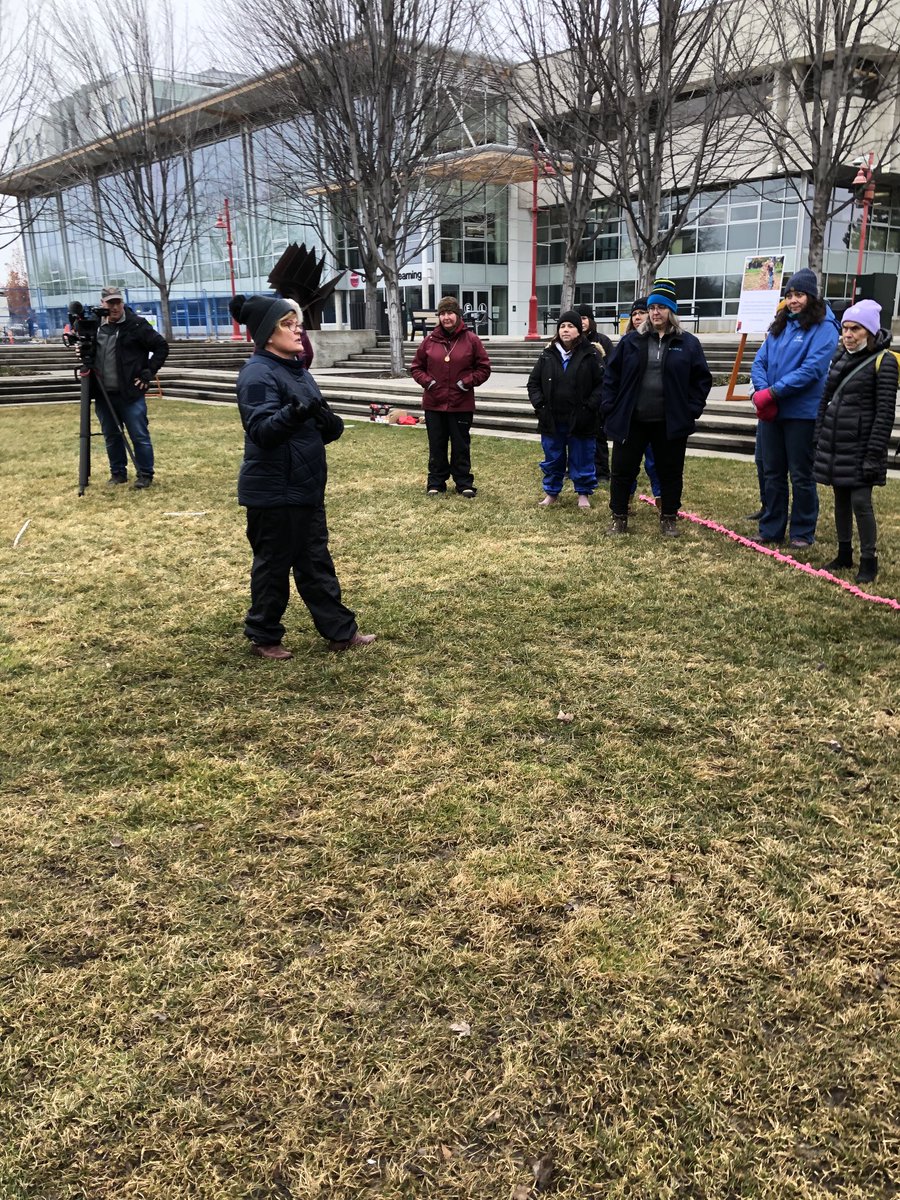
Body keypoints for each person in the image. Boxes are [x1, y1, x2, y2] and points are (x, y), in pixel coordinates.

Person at [230, 293, 375, 660]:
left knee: (315, 561)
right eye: (288, 324)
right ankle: (263, 636)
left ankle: (340, 632)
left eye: (297, 323)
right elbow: (262, 431)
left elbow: (318, 424)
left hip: (305, 486)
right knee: (274, 566)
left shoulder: (297, 369)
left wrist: (329, 422)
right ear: (267, 333)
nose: (298, 330)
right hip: (274, 491)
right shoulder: (257, 373)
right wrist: (294, 414)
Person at [601, 278, 712, 537]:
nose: (655, 313)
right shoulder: (631, 342)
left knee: (670, 472)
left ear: (671, 311)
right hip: (632, 419)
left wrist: (690, 409)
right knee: (622, 470)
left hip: (669, 422)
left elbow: (701, 380)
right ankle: (619, 517)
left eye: (661, 308)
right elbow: (611, 376)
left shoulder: (688, 343)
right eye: (651, 308)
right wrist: (610, 406)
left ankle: (669, 518)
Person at [750, 268, 839, 547]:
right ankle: (771, 527)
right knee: (772, 471)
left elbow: (812, 369)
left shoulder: (824, 328)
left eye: (799, 294)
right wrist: (763, 391)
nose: (793, 300)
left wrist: (774, 392)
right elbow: (759, 362)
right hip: (772, 413)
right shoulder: (780, 325)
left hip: (802, 414)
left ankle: (802, 531)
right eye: (789, 295)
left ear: (811, 296)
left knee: (801, 474)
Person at [813, 299, 897, 584]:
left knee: (861, 502)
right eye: (845, 328)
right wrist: (819, 436)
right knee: (841, 500)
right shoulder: (840, 356)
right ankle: (844, 552)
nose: (848, 335)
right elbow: (825, 400)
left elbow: (885, 413)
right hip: (837, 444)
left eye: (856, 329)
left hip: (863, 446)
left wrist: (874, 454)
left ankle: (869, 559)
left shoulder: (884, 362)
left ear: (870, 332)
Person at [410, 296, 491, 497]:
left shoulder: (471, 340)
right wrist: (429, 383)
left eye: (450, 313)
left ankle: (463, 482)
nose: (446, 317)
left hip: (460, 403)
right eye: (443, 314)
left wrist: (466, 382)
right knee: (436, 445)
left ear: (458, 315)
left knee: (460, 445)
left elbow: (484, 368)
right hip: (434, 403)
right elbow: (416, 367)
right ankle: (436, 482)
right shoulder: (429, 341)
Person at [92, 285, 169, 488]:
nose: (115, 307)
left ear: (122, 303)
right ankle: (118, 473)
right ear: (103, 304)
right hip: (103, 394)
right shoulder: (96, 326)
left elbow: (161, 346)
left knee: (139, 435)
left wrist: (148, 372)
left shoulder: (136, 325)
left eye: (118, 302)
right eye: (110, 303)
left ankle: (145, 474)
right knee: (111, 436)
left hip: (130, 394)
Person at [527, 309, 604, 508]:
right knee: (553, 457)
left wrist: (589, 407)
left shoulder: (591, 354)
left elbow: (602, 384)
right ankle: (551, 492)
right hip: (552, 418)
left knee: (582, 456)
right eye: (562, 326)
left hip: (581, 418)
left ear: (579, 330)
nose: (566, 330)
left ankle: (583, 494)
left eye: (570, 326)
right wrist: (540, 406)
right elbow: (533, 383)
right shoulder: (547, 354)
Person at [622, 299, 662, 504]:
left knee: (655, 461)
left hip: (655, 413)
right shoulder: (626, 343)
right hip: (631, 414)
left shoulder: (660, 342)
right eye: (634, 313)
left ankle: (661, 498)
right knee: (628, 462)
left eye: (641, 312)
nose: (637, 317)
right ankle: (625, 499)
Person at [577, 303, 613, 482]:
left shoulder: (602, 341)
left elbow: (611, 369)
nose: (581, 322)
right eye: (579, 318)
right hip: (578, 398)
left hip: (598, 397)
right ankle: (575, 467)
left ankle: (602, 472)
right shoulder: (570, 341)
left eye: (584, 318)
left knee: (599, 437)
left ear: (590, 320)